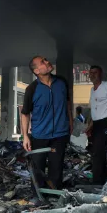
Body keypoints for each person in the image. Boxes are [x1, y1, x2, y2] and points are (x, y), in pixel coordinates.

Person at [21, 56, 73, 197]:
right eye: (43, 62)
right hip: (39, 136)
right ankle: (38, 198)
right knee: (38, 169)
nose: (47, 62)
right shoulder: (32, 89)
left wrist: (70, 122)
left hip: (60, 135)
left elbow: (67, 103)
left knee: (56, 169)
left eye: (46, 59)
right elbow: (25, 114)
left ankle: (55, 199)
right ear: (37, 70)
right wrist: (25, 136)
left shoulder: (61, 82)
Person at [85, 65, 107, 184]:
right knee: (97, 152)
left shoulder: (106, 86)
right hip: (96, 124)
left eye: (95, 72)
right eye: (91, 73)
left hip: (106, 122)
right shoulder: (92, 90)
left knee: (98, 152)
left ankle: (98, 181)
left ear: (100, 74)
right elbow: (94, 110)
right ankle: (102, 180)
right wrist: (90, 126)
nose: (92, 75)